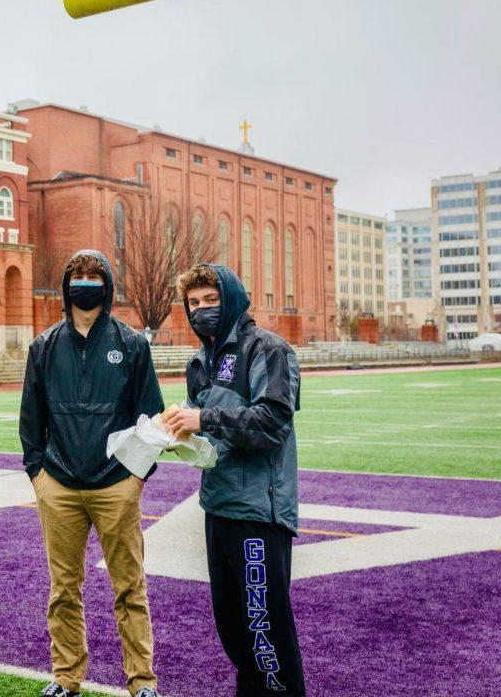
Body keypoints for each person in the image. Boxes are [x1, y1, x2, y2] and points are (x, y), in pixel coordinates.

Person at [19, 250, 165, 697]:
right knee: (63, 588)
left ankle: (141, 681)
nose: (85, 282)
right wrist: (38, 475)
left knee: (130, 587)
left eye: (94, 275)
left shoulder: (132, 343)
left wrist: (134, 478)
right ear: (66, 284)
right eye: (78, 275)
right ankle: (66, 677)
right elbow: (31, 420)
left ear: (107, 284)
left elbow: (152, 417)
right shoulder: (44, 346)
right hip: (59, 486)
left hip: (115, 487)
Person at [164, 264, 305, 697]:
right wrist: (176, 432)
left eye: (211, 300)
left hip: (258, 511)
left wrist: (203, 417)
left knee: (266, 628)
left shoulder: (267, 349)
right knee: (233, 627)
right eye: (194, 303)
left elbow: (272, 421)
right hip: (217, 504)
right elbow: (210, 433)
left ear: (232, 298)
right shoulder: (198, 360)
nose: (202, 310)